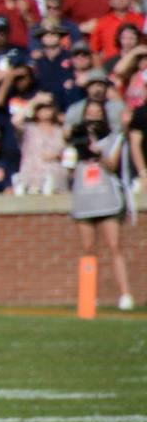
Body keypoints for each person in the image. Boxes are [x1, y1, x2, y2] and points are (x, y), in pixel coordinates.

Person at [67, 117, 136, 312]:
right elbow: (70, 171)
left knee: (114, 246)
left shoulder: (110, 142)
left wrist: (97, 153)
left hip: (107, 201)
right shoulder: (76, 148)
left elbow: (112, 166)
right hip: (85, 202)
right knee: (88, 248)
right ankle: (90, 295)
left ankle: (125, 294)